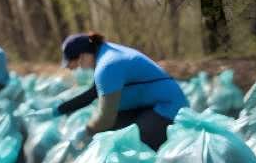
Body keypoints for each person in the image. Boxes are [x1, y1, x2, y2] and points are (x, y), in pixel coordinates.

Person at [52, 32, 188, 151]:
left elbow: (106, 118)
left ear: (83, 56)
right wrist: (58, 110)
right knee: (113, 134)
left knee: (133, 146)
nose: (78, 69)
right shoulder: (106, 53)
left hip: (168, 109)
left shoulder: (107, 66)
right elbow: (92, 94)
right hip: (151, 105)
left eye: (77, 64)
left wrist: (86, 131)